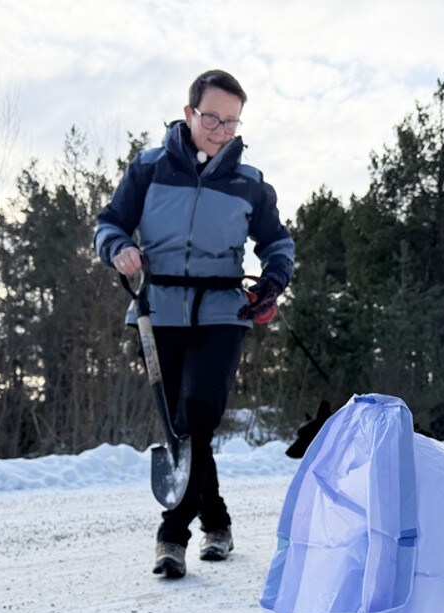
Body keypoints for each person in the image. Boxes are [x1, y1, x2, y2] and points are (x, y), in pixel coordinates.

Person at [94, 69, 295, 579]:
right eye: (212, 118)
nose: (222, 130)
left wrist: (272, 283)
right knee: (183, 426)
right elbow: (109, 224)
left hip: (223, 312)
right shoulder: (148, 168)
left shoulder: (249, 184)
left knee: (197, 416)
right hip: (157, 308)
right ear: (189, 114)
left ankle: (172, 535)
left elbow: (278, 244)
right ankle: (219, 523)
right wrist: (120, 250)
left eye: (232, 122)